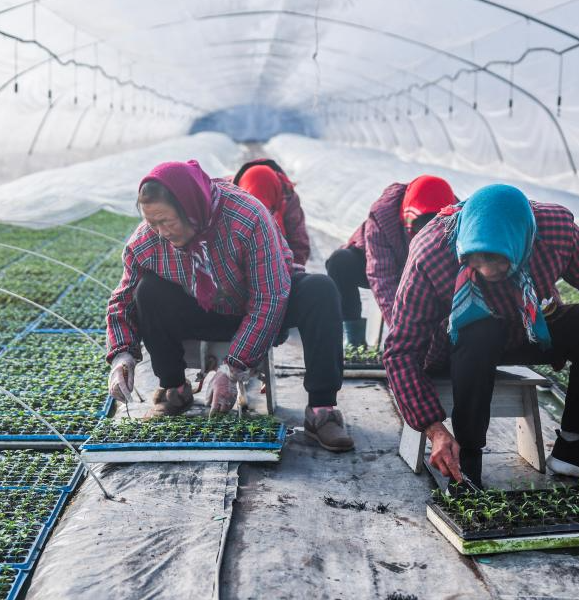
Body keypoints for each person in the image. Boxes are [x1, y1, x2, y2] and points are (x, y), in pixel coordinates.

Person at [383, 184, 579, 488]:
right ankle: (468, 459)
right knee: (481, 329)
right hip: (458, 343)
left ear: (523, 242)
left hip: (527, 325)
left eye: (496, 258)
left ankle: (573, 448)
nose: (485, 269)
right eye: (475, 258)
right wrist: (435, 430)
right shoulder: (432, 253)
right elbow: (400, 351)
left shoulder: (554, 234)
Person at [105, 160, 353, 452]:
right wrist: (122, 355)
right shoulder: (147, 241)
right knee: (147, 291)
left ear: (190, 208)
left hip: (263, 306)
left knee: (320, 291)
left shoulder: (246, 217)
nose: (161, 232)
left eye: (166, 221)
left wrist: (232, 369)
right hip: (206, 308)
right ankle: (174, 389)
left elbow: (269, 298)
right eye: (152, 222)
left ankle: (321, 411)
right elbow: (121, 300)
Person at [326, 175, 456, 346]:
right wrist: (402, 333)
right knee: (340, 262)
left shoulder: (453, 214)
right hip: (381, 261)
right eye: (418, 232)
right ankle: (354, 341)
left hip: (423, 269)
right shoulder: (383, 214)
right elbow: (383, 277)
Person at [234, 158, 310, 267]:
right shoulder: (227, 200)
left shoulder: (288, 198)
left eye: (267, 210)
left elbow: (298, 243)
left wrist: (291, 271)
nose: (263, 215)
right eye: (256, 208)